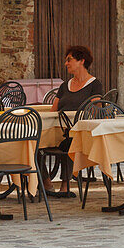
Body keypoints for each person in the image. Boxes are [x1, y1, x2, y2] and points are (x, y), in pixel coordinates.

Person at [46, 45, 103, 194]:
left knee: (71, 140)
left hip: (82, 133)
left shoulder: (94, 85)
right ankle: (45, 182)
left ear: (81, 61)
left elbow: (97, 110)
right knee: (33, 143)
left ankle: (65, 184)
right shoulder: (65, 85)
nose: (66, 63)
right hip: (60, 130)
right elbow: (54, 110)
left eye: (69, 60)